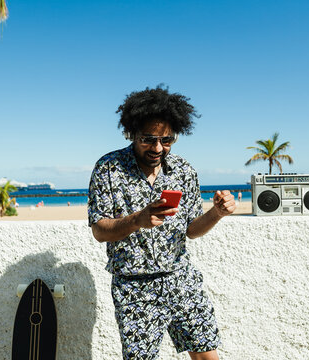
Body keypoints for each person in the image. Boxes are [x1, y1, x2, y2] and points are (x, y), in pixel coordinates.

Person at [88, 86, 236, 360]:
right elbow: (99, 230)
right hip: (134, 287)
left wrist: (216, 213)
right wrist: (137, 220)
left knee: (206, 354)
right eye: (149, 139)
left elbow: (191, 230)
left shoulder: (184, 171)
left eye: (167, 140)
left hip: (181, 279)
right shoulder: (108, 169)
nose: (158, 148)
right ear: (131, 133)